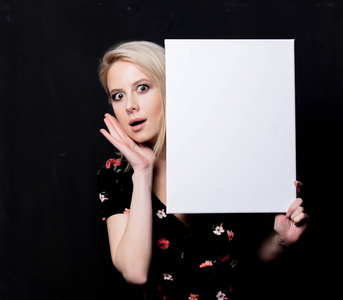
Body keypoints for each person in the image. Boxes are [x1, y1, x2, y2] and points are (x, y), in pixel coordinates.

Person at [97, 41, 309, 299]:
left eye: (142, 87)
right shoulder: (115, 175)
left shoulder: (227, 153)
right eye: (118, 95)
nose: (129, 105)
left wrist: (282, 241)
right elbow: (135, 272)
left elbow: (253, 256)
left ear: (169, 88)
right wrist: (142, 171)